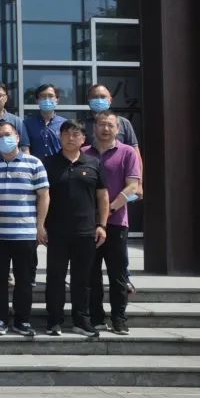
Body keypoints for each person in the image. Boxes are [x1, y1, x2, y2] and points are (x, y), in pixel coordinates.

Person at [40, 120, 109, 338]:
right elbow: (41, 196)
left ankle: (82, 321)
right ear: (60, 137)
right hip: (56, 232)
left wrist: (102, 225)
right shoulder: (48, 163)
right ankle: (54, 321)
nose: (71, 138)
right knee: (55, 278)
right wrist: (40, 225)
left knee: (83, 279)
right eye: (66, 134)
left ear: (83, 138)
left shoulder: (93, 163)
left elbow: (103, 196)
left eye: (76, 134)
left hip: (86, 232)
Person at [0, 120, 48, 337]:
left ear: (18, 137)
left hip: (25, 233)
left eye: (8, 134)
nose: (4, 139)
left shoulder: (34, 163)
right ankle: (0, 319)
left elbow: (43, 196)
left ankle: (22, 321)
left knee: (24, 281)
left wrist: (40, 225)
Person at [83, 111, 141, 335]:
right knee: (91, 275)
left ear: (118, 129)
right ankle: (96, 317)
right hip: (88, 225)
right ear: (94, 128)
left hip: (116, 223)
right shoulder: (84, 153)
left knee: (117, 275)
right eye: (101, 125)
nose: (105, 129)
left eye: (110, 125)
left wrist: (109, 211)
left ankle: (119, 319)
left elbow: (133, 186)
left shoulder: (127, 152)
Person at [24, 83, 66, 159]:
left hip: (59, 165)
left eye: (50, 96)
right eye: (43, 96)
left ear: (57, 100)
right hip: (35, 165)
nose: (47, 99)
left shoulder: (64, 123)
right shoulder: (27, 124)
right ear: (37, 100)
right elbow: (25, 149)